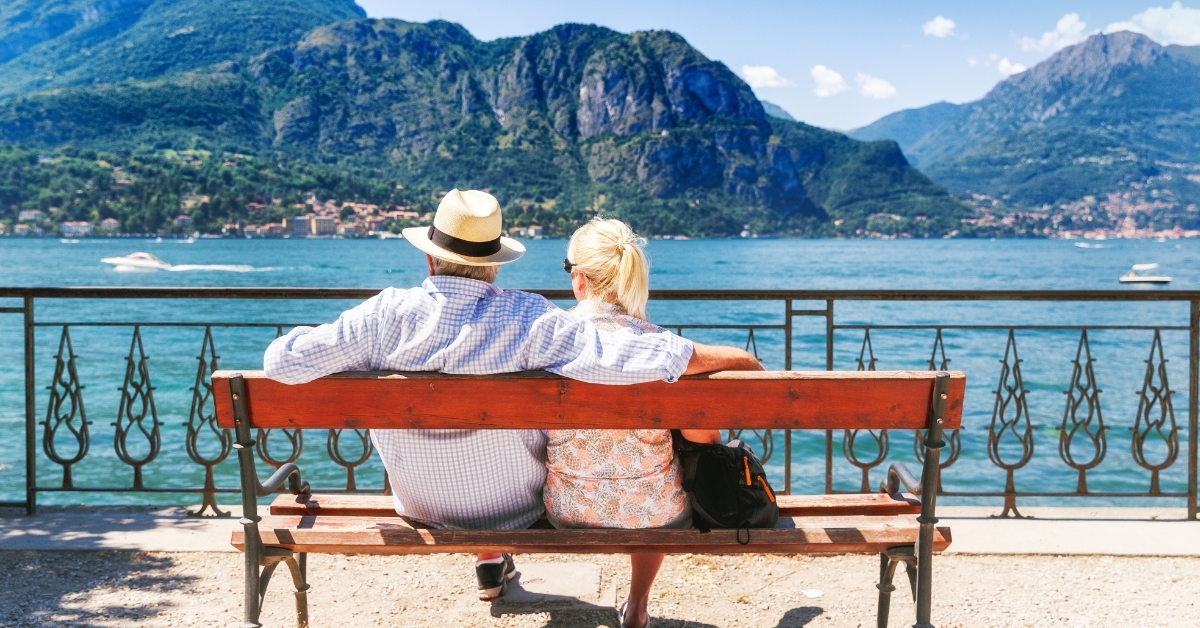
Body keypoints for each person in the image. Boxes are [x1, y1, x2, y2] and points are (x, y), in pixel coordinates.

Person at [262, 190, 762, 603]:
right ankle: (496, 551)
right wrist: (725, 356)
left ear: (429, 255)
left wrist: (350, 342)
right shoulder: (527, 319)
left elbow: (280, 363)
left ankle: (489, 561)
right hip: (513, 512)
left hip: (415, 503)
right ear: (496, 264)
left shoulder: (381, 315)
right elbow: (620, 357)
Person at [546, 218, 744, 628]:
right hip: (656, 516)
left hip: (565, 511)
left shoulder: (544, 341)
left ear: (580, 280)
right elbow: (707, 435)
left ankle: (492, 561)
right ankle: (636, 607)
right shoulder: (664, 348)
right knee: (656, 480)